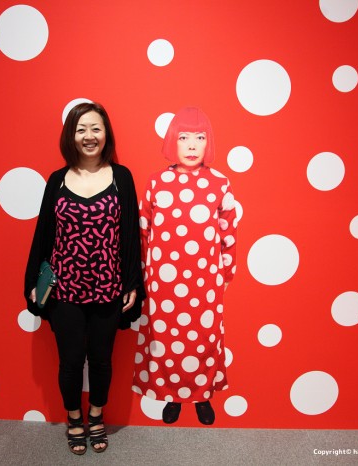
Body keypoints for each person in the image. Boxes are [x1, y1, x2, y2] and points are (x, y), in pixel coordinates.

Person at [24, 102, 144, 454]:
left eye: (95, 128)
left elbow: (130, 235)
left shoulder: (122, 177)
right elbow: (43, 234)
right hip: (65, 288)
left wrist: (132, 282)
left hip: (109, 286)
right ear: (71, 136)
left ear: (106, 134)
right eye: (81, 129)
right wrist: (33, 281)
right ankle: (74, 417)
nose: (89, 136)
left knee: (102, 359)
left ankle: (96, 415)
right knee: (71, 360)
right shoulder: (57, 180)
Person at [132, 107, 238, 425]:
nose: (192, 145)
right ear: (172, 142)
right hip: (163, 279)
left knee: (203, 337)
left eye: (200, 138)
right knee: (166, 338)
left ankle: (202, 395)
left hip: (205, 279)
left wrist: (226, 272)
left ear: (208, 142)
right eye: (184, 137)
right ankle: (172, 396)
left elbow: (228, 232)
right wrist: (143, 274)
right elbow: (143, 230)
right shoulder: (157, 182)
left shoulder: (220, 183)